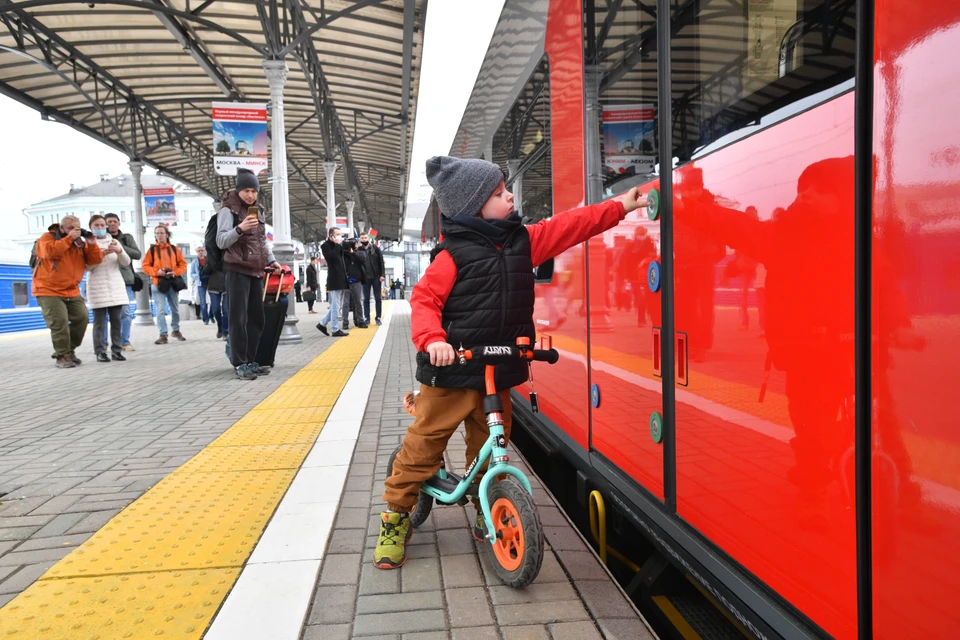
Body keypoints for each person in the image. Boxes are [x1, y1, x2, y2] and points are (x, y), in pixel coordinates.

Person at [373, 155, 644, 569]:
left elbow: (571, 226)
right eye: (499, 193)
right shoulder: (451, 256)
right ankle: (395, 515)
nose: (510, 196)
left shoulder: (524, 241)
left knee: (491, 443)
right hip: (451, 369)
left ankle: (488, 503)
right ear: (474, 206)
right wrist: (433, 340)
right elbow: (424, 300)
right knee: (425, 445)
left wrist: (620, 206)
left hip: (496, 370)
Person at [215, 167, 282, 380]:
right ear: (239, 190)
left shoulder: (258, 210)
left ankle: (251, 360)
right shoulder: (228, 211)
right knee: (238, 319)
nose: (251, 195)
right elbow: (221, 240)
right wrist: (240, 228)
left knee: (256, 319)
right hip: (236, 270)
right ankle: (239, 363)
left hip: (256, 270)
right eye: (247, 191)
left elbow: (262, 241)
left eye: (254, 191)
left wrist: (272, 260)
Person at [32, 214, 103, 368]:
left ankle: (69, 350)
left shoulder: (79, 243)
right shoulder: (47, 238)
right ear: (62, 227)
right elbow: (49, 253)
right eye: (70, 228)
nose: (74, 231)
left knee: (82, 318)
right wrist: (69, 238)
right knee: (60, 322)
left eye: (76, 228)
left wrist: (91, 244)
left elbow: (94, 261)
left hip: (72, 290)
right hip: (48, 289)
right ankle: (62, 355)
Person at [85, 215, 131, 362]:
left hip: (115, 286)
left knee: (116, 320)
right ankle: (99, 351)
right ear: (91, 227)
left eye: (102, 225)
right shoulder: (87, 244)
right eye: (96, 225)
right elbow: (87, 267)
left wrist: (119, 251)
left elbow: (125, 262)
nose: (99, 228)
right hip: (97, 287)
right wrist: (100, 255)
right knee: (99, 322)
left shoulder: (114, 241)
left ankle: (117, 350)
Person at [142, 224, 187, 345]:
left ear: (167, 234)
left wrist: (175, 272)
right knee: (160, 310)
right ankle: (163, 334)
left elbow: (183, 264)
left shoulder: (174, 249)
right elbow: (145, 266)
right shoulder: (152, 250)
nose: (160, 235)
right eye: (157, 233)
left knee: (175, 309)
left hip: (172, 282)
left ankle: (176, 330)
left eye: (162, 233)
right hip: (158, 283)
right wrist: (157, 272)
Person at [103, 212, 141, 351]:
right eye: (109, 222)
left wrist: (119, 247)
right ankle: (104, 343)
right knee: (106, 314)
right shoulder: (101, 239)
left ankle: (125, 342)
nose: (111, 224)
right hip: (106, 280)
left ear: (119, 223)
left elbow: (137, 254)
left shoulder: (126, 238)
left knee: (125, 313)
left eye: (114, 221)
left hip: (125, 280)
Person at [316, 227, 350, 337]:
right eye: (337, 234)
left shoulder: (339, 246)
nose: (340, 236)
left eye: (340, 234)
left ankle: (322, 324)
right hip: (334, 278)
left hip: (341, 277)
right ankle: (335, 329)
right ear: (331, 235)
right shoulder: (325, 246)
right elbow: (332, 257)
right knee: (335, 306)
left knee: (336, 305)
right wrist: (336, 244)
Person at [360, 232, 385, 325]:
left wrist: (382, 275)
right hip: (365, 278)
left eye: (365, 238)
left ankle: (378, 317)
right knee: (366, 299)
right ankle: (367, 318)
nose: (364, 240)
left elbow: (381, 262)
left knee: (377, 297)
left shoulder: (376, 249)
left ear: (368, 238)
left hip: (376, 277)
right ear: (360, 239)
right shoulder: (358, 250)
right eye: (362, 238)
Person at [343, 237, 369, 329]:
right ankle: (345, 323)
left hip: (357, 281)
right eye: (355, 244)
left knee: (357, 302)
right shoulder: (344, 255)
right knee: (345, 303)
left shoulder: (360, 253)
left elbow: (362, 259)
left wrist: (352, 252)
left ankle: (360, 321)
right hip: (346, 282)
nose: (356, 245)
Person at [189, 246, 210, 325]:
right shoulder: (194, 262)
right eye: (198, 251)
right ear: (196, 252)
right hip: (200, 283)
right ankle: (206, 318)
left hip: (210, 282)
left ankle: (211, 314)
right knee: (203, 301)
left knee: (213, 300)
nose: (200, 252)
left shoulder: (208, 260)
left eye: (201, 250)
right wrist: (198, 277)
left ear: (204, 251)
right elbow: (192, 273)